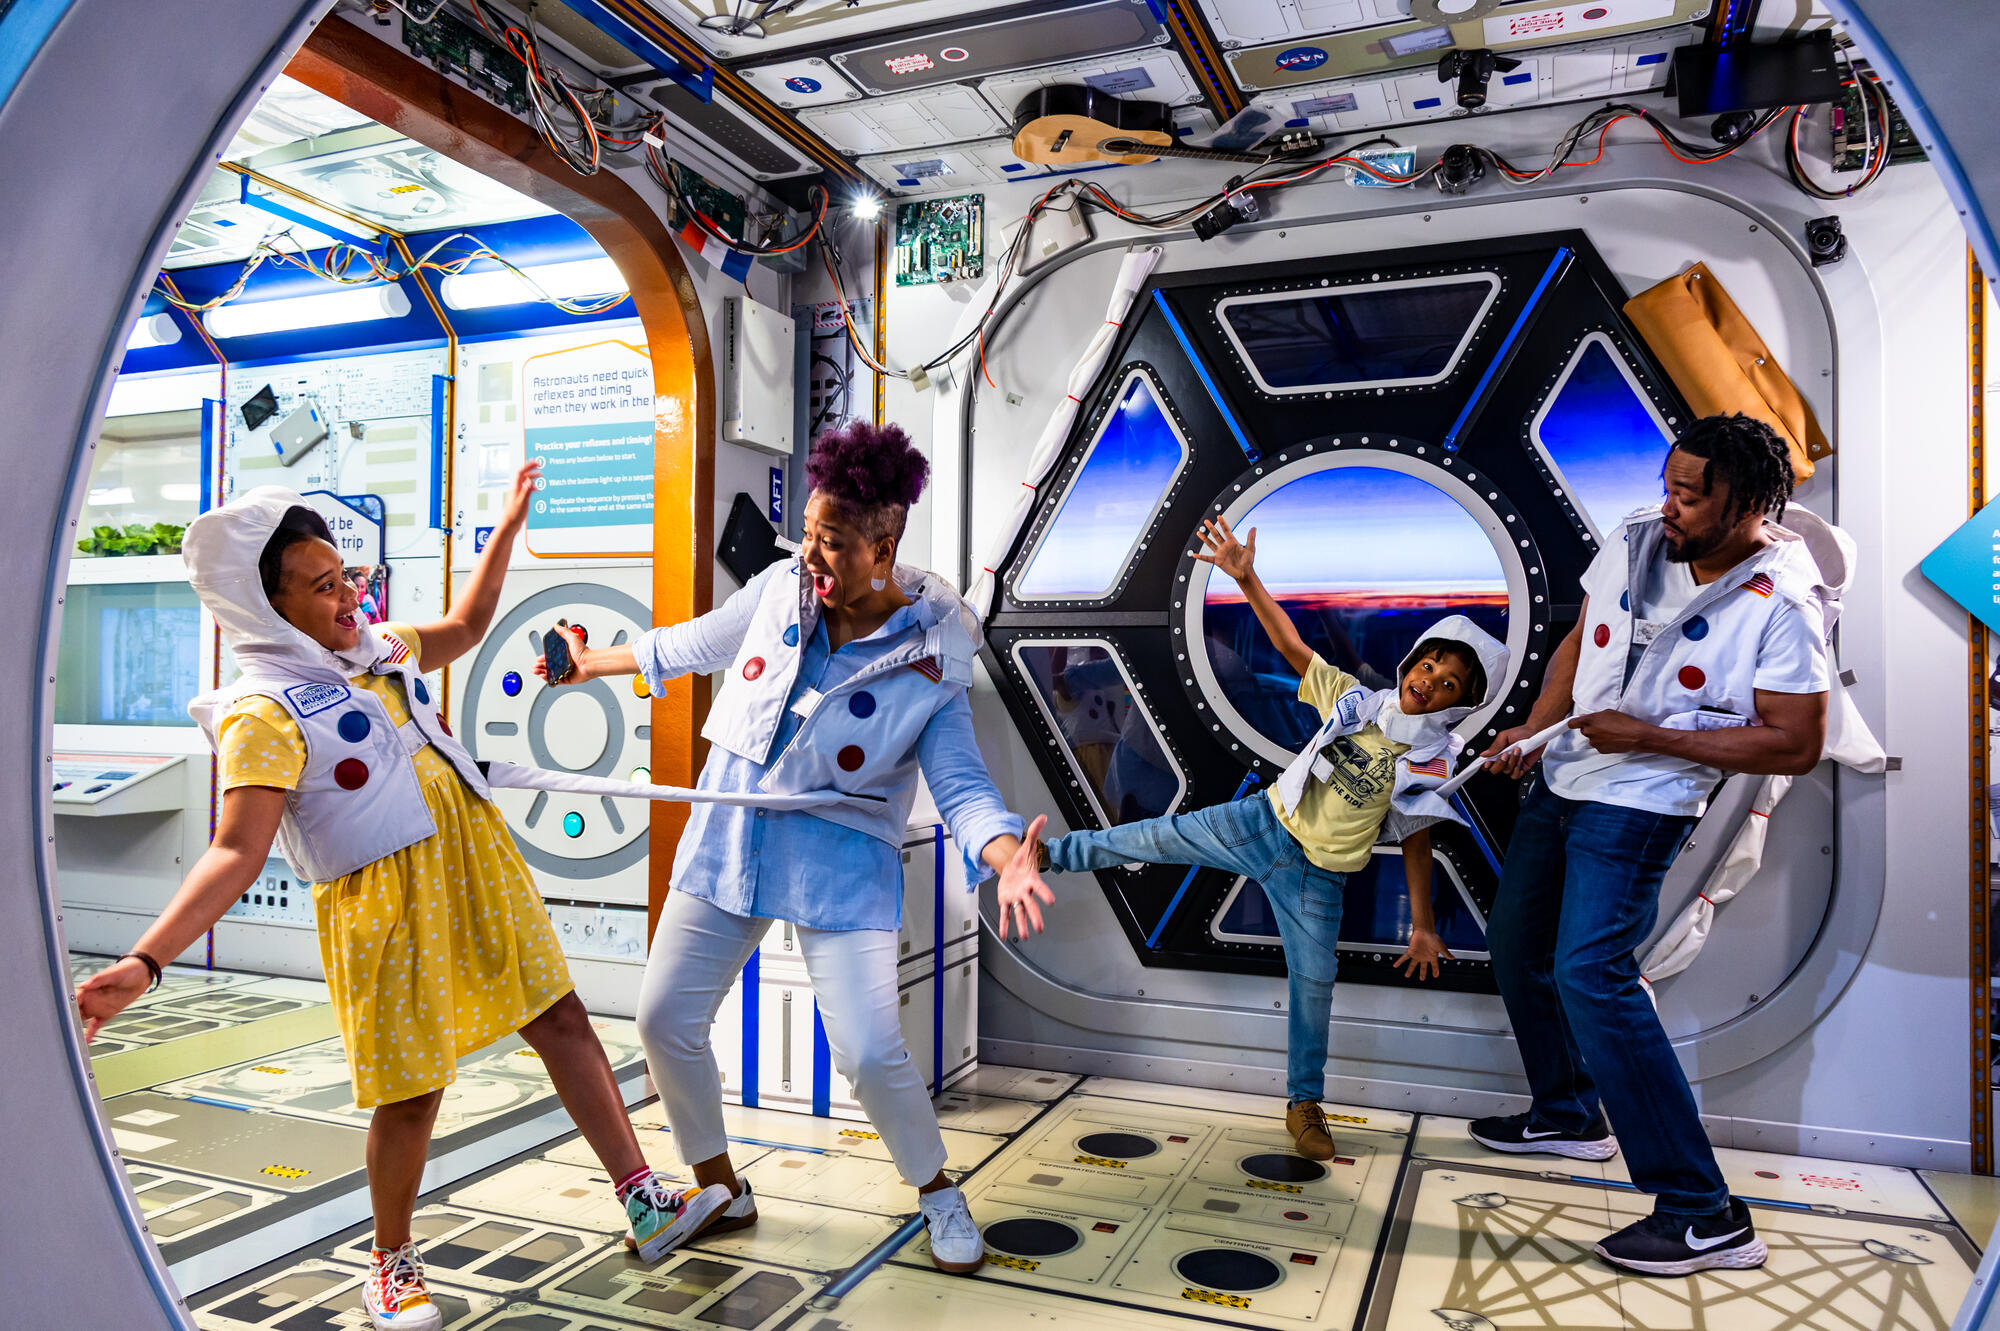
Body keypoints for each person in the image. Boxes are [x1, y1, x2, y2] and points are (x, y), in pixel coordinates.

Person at [74, 466, 730, 1331]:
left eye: (346, 574)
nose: (350, 594)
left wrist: (507, 526)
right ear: (267, 607)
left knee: (562, 1019)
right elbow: (235, 850)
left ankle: (644, 1199)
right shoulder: (259, 712)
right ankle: (389, 1264)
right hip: (382, 907)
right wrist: (146, 960)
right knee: (412, 1089)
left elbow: (466, 625)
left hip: (476, 864)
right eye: (323, 586)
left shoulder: (378, 648)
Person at [537, 421, 1052, 1275]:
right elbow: (698, 639)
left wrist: (1007, 855)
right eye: (808, 531)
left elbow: (961, 783)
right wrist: (596, 663)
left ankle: (937, 1189)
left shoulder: (932, 652)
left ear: (883, 548)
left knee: (869, 1053)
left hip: (840, 856)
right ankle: (720, 1188)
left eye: (833, 541)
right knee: (664, 1020)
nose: (811, 553)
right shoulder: (782, 587)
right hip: (731, 830)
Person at [1471, 413, 1829, 1276]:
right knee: (1516, 944)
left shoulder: (1784, 601)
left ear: (1749, 504)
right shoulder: (1637, 535)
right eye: (1668, 485)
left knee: (1592, 974)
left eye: (1690, 495)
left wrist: (1649, 737)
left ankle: (1705, 1213)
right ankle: (1567, 1111)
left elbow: (1795, 742)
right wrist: (1539, 726)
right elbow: (1581, 637)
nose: (1669, 505)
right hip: (1567, 771)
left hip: (1644, 798)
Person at [1033, 515, 1506, 1162]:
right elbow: (1290, 645)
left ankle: (1304, 1104)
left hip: (1319, 878)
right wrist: (1246, 578)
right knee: (1156, 837)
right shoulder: (1357, 700)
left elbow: (1418, 839)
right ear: (1412, 660)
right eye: (1428, 663)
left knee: (1315, 984)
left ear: (1460, 705)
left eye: (1448, 683)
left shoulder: (1431, 760)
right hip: (1261, 823)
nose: (1428, 680)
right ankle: (1047, 854)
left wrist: (1422, 924)